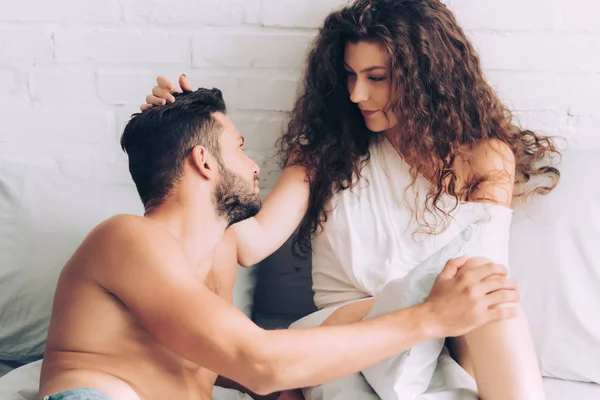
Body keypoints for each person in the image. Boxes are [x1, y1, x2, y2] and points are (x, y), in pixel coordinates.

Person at [143, 2, 560, 399]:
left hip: (441, 333)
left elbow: (480, 281)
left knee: (495, 303)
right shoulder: (323, 150)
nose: (357, 94)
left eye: (376, 77)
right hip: (341, 334)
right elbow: (250, 243)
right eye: (349, 75)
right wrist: (183, 134)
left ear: (426, 79)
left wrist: (434, 317)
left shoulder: (483, 158)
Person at [37, 89, 519, 400]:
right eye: (241, 147)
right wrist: (431, 318)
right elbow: (259, 361)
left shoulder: (215, 256)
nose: (253, 166)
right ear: (204, 162)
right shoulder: (125, 237)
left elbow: (226, 361)